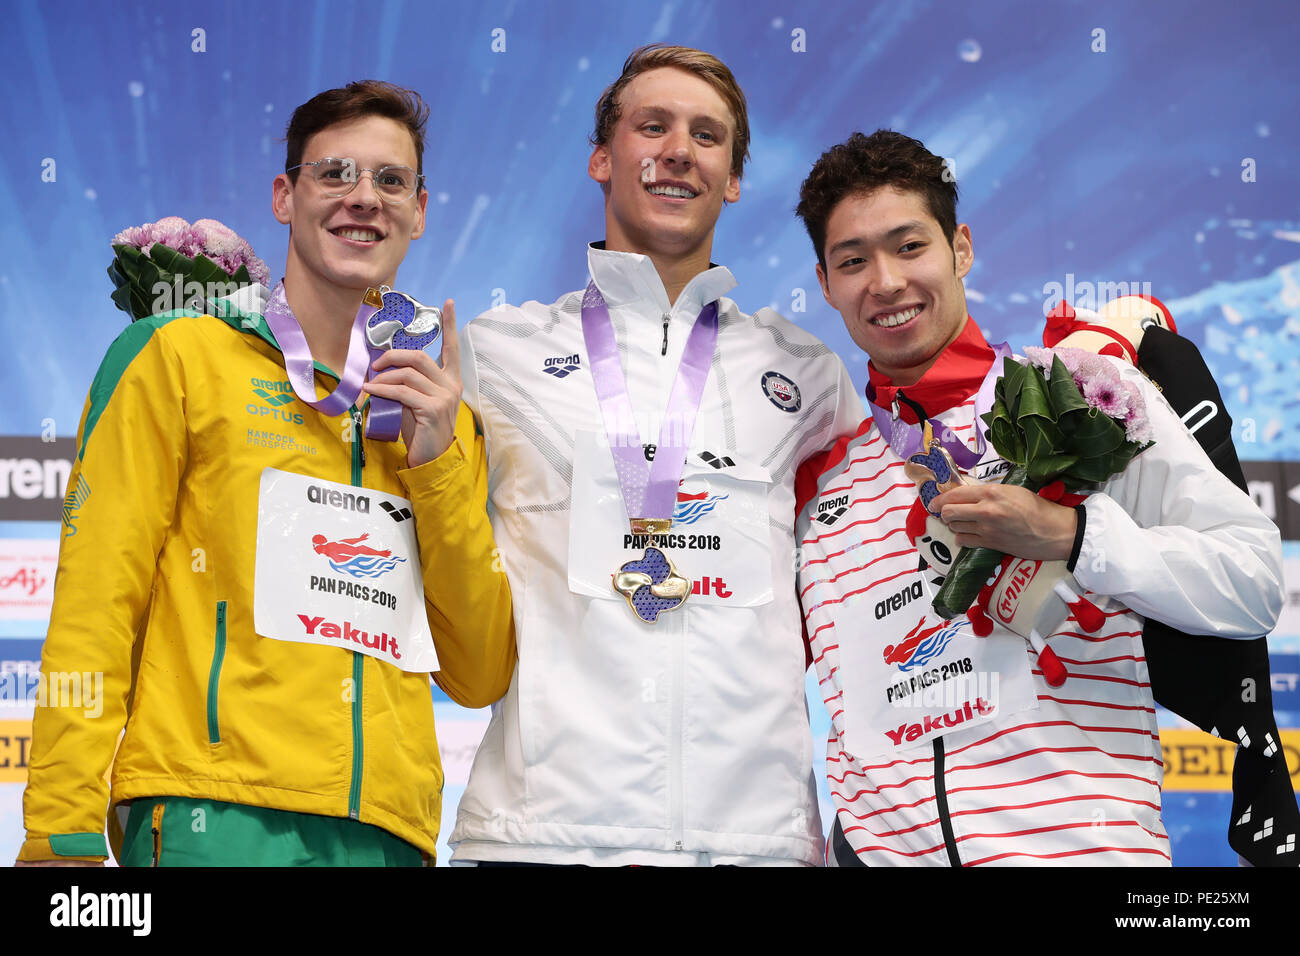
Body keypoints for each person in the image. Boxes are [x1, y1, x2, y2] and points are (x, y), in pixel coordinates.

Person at [17, 80, 514, 867]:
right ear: (285, 196)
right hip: (210, 815)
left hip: (391, 834)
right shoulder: (179, 354)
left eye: (390, 181)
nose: (364, 199)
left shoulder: (437, 418)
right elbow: (95, 599)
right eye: (334, 174)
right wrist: (60, 825)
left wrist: (439, 464)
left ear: (420, 210)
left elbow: (481, 672)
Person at [793, 130, 1284, 866]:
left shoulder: (1083, 397)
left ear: (960, 248)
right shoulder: (827, 482)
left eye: (909, 246)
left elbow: (1253, 581)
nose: (886, 282)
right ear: (826, 283)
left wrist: (1071, 533)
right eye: (853, 260)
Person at [451, 45, 864, 865]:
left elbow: (875, 569)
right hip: (542, 838)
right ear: (603, 160)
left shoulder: (807, 376)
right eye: (653, 126)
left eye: (708, 135)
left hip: (757, 842)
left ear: (734, 178)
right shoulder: (497, 352)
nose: (680, 149)